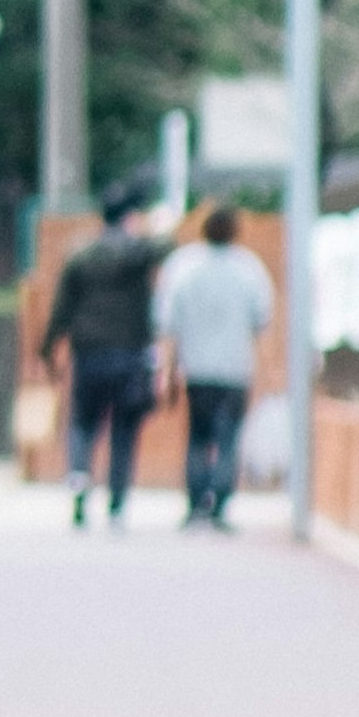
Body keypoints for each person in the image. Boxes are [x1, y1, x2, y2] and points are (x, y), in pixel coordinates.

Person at [43, 183, 167, 526]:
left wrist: (48, 347)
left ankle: (80, 476)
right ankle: (117, 503)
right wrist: (154, 226)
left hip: (89, 353)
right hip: (130, 354)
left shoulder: (81, 255)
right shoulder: (139, 252)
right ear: (129, 217)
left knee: (83, 422)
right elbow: (166, 246)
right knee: (124, 430)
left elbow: (61, 308)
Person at [154, 196, 279, 527]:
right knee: (228, 438)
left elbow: (168, 324)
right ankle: (220, 503)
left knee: (197, 436)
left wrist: (167, 368)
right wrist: (268, 371)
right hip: (236, 368)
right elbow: (262, 325)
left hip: (196, 368)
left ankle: (196, 503)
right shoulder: (249, 268)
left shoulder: (183, 265)